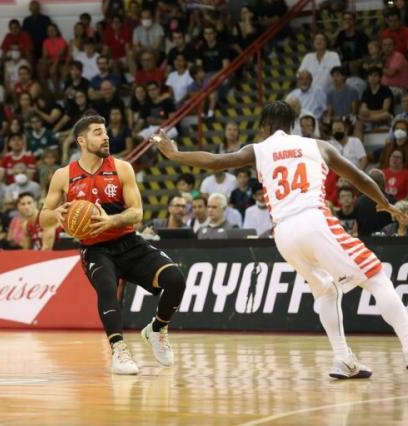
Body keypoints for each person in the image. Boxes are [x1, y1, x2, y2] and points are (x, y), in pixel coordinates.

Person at [153, 100, 408, 377]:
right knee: (377, 277)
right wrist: (384, 202)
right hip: (314, 219)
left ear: (264, 127)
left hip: (284, 233)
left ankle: (343, 359)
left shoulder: (258, 150)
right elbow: (359, 177)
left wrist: (175, 154)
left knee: (326, 290)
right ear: (293, 125)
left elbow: (215, 162)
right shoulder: (318, 146)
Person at [40, 115, 186, 375]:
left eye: (106, 132)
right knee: (107, 288)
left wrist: (111, 221)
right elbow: (43, 218)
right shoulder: (63, 176)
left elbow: (137, 213)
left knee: (175, 279)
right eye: (98, 132)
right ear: (82, 141)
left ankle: (157, 329)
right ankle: (119, 350)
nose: (106, 136)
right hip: (95, 248)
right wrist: (58, 214)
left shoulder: (122, 168)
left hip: (128, 241)